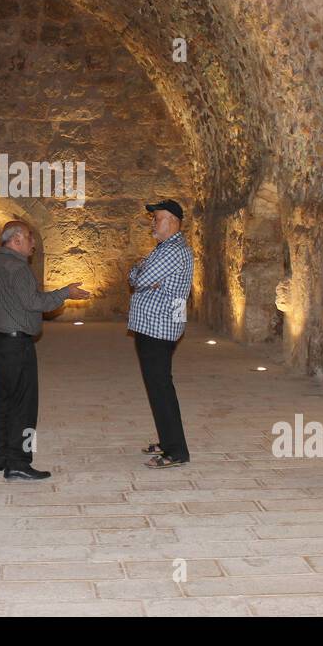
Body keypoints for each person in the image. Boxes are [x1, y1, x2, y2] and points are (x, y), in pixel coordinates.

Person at [0, 220, 90, 480]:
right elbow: (34, 303)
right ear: (16, 239)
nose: (33, 244)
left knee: (3, 400)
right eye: (29, 238)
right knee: (24, 406)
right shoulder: (18, 268)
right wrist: (66, 292)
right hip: (16, 345)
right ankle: (19, 461)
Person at [127, 199, 194, 467]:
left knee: (160, 388)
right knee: (158, 386)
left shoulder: (171, 251)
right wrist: (144, 274)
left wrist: (136, 271)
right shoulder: (167, 248)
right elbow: (146, 279)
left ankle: (176, 451)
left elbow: (139, 279)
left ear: (173, 222)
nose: (153, 223)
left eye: (157, 218)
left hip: (157, 327)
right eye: (153, 218)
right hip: (157, 325)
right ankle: (168, 441)